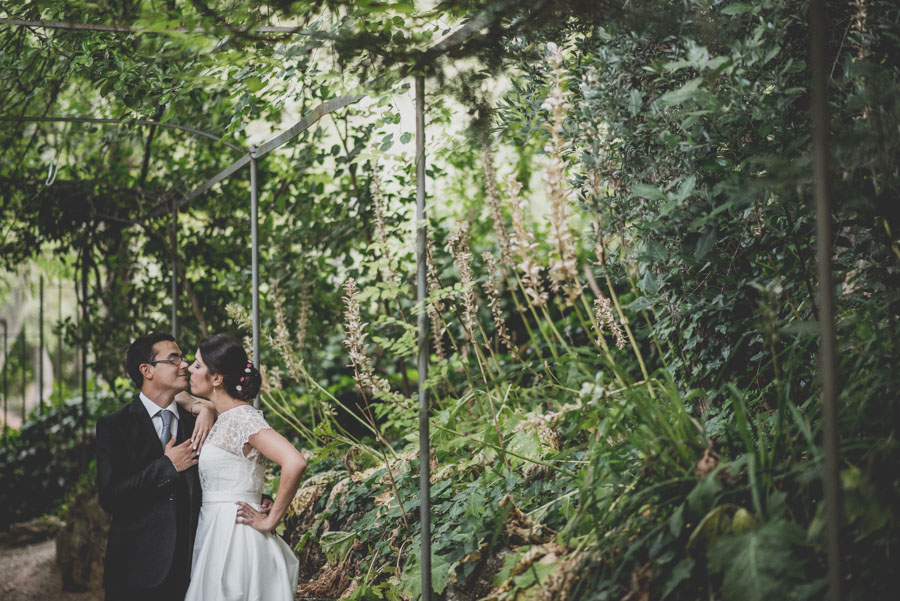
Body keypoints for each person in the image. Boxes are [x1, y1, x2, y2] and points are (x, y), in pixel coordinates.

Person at [184, 334, 306, 601]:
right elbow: (175, 395)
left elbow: (294, 462)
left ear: (216, 378)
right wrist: (203, 407)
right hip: (214, 528)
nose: (188, 369)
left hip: (236, 531)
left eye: (196, 365)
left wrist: (272, 518)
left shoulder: (243, 418)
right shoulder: (223, 416)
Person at [96, 332, 216, 601]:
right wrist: (167, 467)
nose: (184, 365)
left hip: (192, 568)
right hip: (134, 571)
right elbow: (110, 497)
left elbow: (214, 480)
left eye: (183, 359)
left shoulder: (197, 421)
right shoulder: (114, 426)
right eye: (173, 359)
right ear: (147, 370)